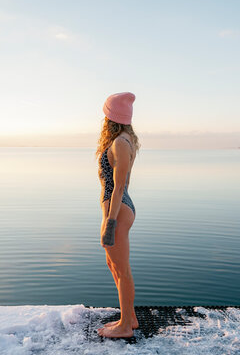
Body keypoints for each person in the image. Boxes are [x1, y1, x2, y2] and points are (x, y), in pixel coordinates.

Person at [96, 92, 140, 338]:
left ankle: (125, 327)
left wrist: (110, 223)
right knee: (113, 263)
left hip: (119, 211)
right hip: (117, 209)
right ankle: (129, 317)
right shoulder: (122, 140)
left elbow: (119, 186)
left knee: (122, 269)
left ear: (111, 117)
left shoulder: (120, 143)